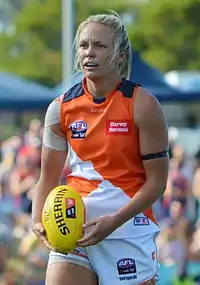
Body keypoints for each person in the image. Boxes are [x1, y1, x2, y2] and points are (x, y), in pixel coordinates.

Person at [31, 11, 169, 285]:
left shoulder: (143, 105)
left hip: (128, 230)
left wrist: (113, 222)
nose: (89, 53)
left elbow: (157, 184)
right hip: (74, 228)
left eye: (100, 45)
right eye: (84, 45)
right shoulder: (59, 109)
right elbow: (47, 177)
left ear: (119, 55)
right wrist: (37, 221)